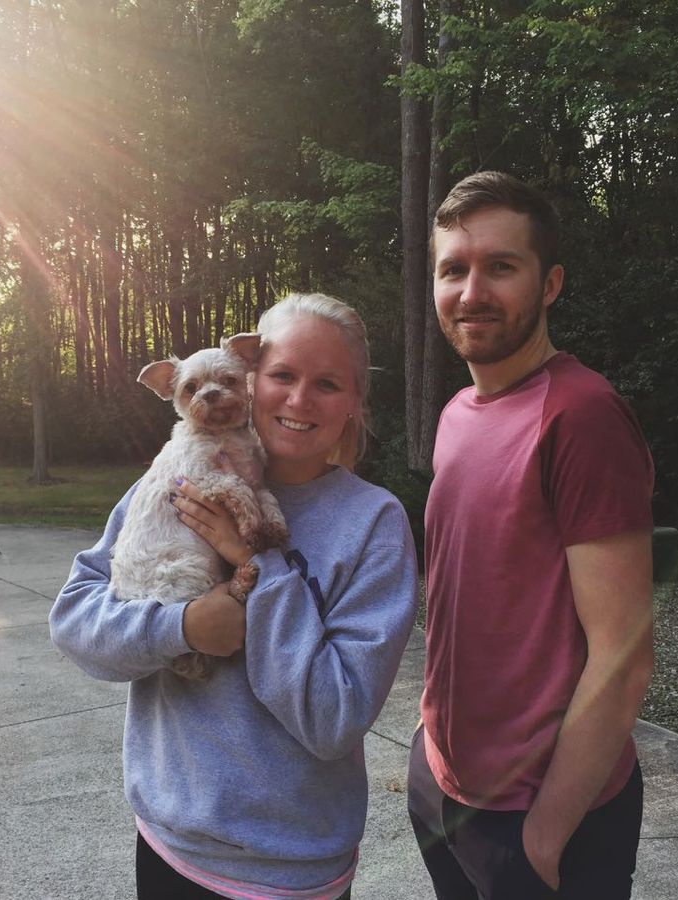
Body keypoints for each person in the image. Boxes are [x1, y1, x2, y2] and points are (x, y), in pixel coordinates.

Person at [50, 292, 418, 900]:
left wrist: (254, 561)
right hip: (170, 842)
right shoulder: (170, 480)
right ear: (254, 376)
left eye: (327, 383)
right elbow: (74, 623)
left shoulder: (372, 524)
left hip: (292, 870)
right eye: (282, 375)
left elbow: (334, 720)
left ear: (355, 401)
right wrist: (184, 628)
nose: (299, 399)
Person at [408, 171, 655, 899]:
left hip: (541, 818)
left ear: (549, 285)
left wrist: (543, 840)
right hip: (444, 785)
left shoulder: (581, 415)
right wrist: (428, 749)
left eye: (501, 267)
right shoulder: (457, 412)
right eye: (453, 269)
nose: (472, 291)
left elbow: (624, 656)